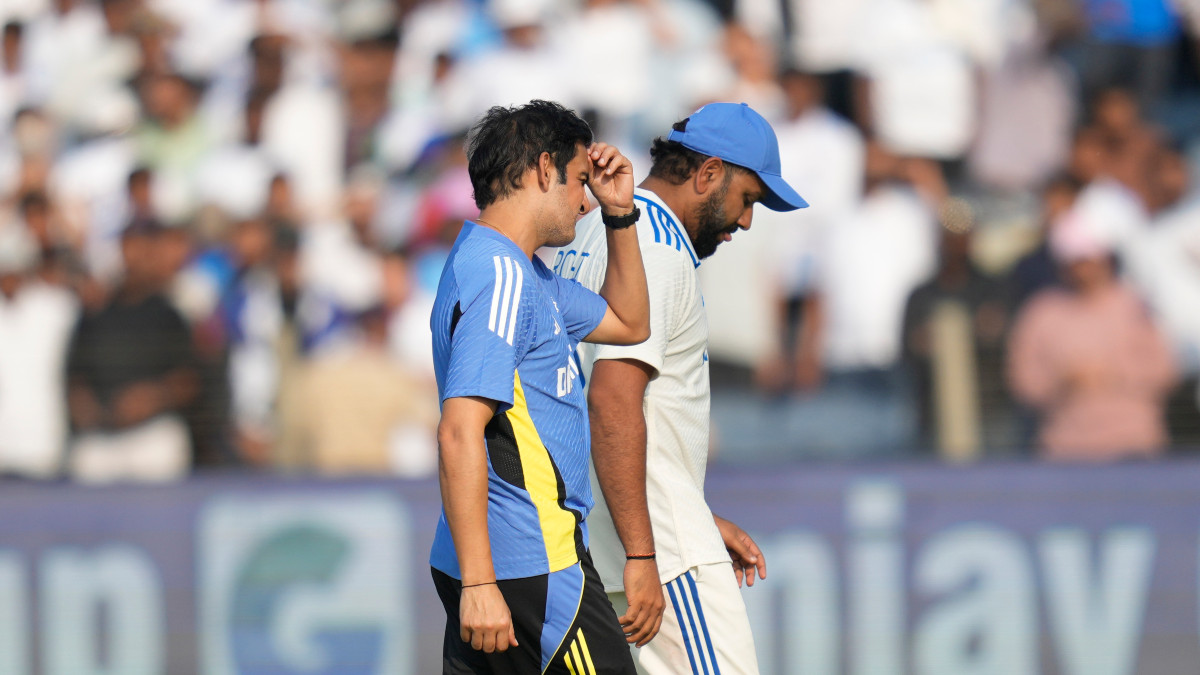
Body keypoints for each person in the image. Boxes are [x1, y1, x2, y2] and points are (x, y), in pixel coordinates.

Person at [552, 102, 808, 674]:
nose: (746, 221)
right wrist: (646, 551)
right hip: (659, 556)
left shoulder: (591, 230)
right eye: (748, 199)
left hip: (604, 542)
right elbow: (611, 401)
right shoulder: (656, 249)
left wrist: (695, 515)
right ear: (709, 173)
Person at [429, 100, 649, 674]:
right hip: (529, 563)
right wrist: (481, 583)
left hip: (503, 562)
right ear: (544, 169)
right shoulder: (501, 274)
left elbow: (629, 323)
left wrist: (620, 215)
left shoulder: (523, 272)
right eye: (579, 180)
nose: (585, 200)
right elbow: (459, 431)